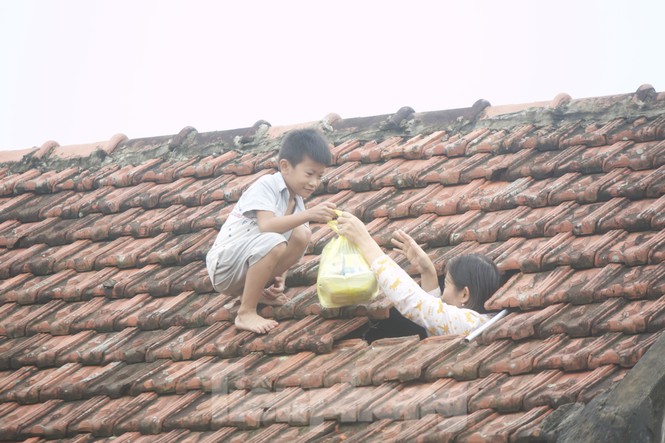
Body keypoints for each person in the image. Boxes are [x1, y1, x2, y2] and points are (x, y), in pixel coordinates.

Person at [206, 128, 337, 334]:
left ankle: (253, 293)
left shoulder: (297, 201)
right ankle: (246, 312)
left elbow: (288, 236)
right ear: (285, 166)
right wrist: (310, 214)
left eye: (319, 176)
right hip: (224, 266)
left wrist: (280, 277)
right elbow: (266, 226)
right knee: (274, 240)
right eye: (309, 174)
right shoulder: (267, 185)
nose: (314, 183)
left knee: (302, 234)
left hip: (248, 264)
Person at [336, 212, 501, 336]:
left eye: (447, 285)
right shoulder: (480, 323)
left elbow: (413, 303)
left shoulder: (471, 324)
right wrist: (428, 273)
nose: (443, 296)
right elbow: (436, 323)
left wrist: (365, 241)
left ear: (464, 294)